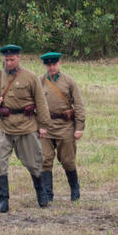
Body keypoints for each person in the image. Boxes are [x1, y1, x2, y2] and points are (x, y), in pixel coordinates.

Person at [0, 44, 50, 213]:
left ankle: (41, 194)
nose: (9, 63)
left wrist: (43, 125)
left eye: (12, 59)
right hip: (4, 126)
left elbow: (41, 102)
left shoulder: (30, 77)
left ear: (19, 58)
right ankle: (3, 201)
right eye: (6, 60)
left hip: (26, 126)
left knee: (34, 162)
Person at [38, 52, 85, 202]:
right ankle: (47, 194)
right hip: (46, 126)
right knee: (45, 159)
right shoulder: (39, 82)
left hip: (65, 126)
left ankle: (74, 189)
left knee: (67, 160)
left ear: (59, 63)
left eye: (54, 64)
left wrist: (79, 127)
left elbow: (78, 105)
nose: (51, 67)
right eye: (48, 65)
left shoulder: (69, 82)